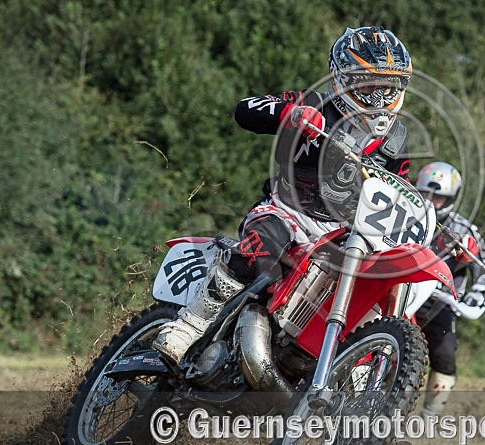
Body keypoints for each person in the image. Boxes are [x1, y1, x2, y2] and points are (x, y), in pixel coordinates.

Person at [152, 26, 413, 361]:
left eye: (389, 86)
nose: (380, 96)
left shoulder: (397, 140)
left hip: (343, 234)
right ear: (343, 78)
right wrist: (290, 114)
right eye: (370, 84)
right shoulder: (316, 102)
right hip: (287, 212)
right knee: (260, 252)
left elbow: (401, 190)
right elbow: (246, 108)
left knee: (371, 294)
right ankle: (188, 326)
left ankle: (350, 370)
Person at [414, 161, 485, 419]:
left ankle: (430, 415)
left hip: (439, 301)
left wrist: (477, 295)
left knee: (445, 352)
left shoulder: (464, 230)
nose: (431, 201)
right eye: (426, 194)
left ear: (451, 197)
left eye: (438, 196)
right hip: (401, 292)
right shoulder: (406, 217)